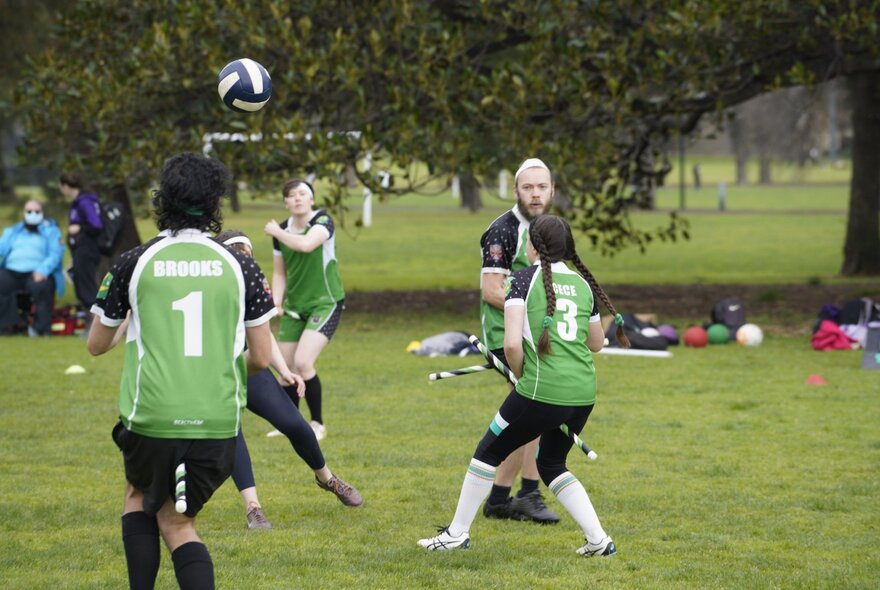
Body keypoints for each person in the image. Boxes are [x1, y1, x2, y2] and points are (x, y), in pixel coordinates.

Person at [87, 152, 275, 590]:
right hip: (217, 420)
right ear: (215, 202)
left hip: (152, 413)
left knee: (138, 497)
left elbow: (96, 345)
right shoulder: (242, 265)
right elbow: (262, 358)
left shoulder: (134, 260)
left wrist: (132, 315)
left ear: (163, 199)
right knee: (179, 523)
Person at [418, 214, 629, 556]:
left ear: (532, 245)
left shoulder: (521, 280)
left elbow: (512, 345)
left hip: (540, 389)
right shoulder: (582, 284)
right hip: (583, 394)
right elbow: (596, 343)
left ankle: (456, 534)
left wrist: (519, 376)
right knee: (552, 464)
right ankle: (598, 540)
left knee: (487, 453)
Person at [215, 230, 363, 530]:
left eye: (247, 255)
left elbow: (262, 333)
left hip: (249, 367)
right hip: (216, 373)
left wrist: (284, 370)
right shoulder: (210, 287)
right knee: (233, 433)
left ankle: (328, 479)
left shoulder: (252, 282)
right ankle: (253, 508)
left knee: (294, 423)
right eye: (238, 255)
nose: (245, 261)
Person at [477, 158, 559, 523]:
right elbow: (492, 290)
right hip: (504, 336)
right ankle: (525, 493)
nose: (535, 194)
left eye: (542, 187)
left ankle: (502, 497)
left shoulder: (550, 229)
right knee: (535, 410)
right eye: (528, 187)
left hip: (534, 335)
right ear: (516, 191)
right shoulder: (503, 230)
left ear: (552, 190)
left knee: (531, 414)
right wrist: (532, 311)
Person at [263, 178, 344, 441]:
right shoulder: (282, 230)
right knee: (285, 368)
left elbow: (306, 244)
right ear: (285, 202)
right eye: (291, 195)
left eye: (302, 193)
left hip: (325, 302)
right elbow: (279, 273)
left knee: (303, 362)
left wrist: (276, 232)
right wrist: (276, 302)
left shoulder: (322, 221)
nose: (297, 198)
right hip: (294, 307)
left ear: (312, 199)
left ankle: (318, 424)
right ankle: (291, 424)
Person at [0, 199, 65, 336]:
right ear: (24, 212)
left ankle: (41, 328)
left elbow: (55, 254)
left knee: (41, 287)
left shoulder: (51, 231)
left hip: (37, 272)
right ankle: (5, 327)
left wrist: (42, 270)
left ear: (42, 212)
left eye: (36, 211)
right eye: (29, 211)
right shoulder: (14, 231)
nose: (33, 214)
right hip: (12, 271)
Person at [59, 172, 104, 322]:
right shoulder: (78, 202)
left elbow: (96, 225)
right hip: (79, 250)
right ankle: (91, 322)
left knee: (87, 288)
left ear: (66, 186)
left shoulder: (85, 202)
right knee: (82, 287)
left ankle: (96, 323)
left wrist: (80, 228)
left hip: (87, 249)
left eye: (61, 186)